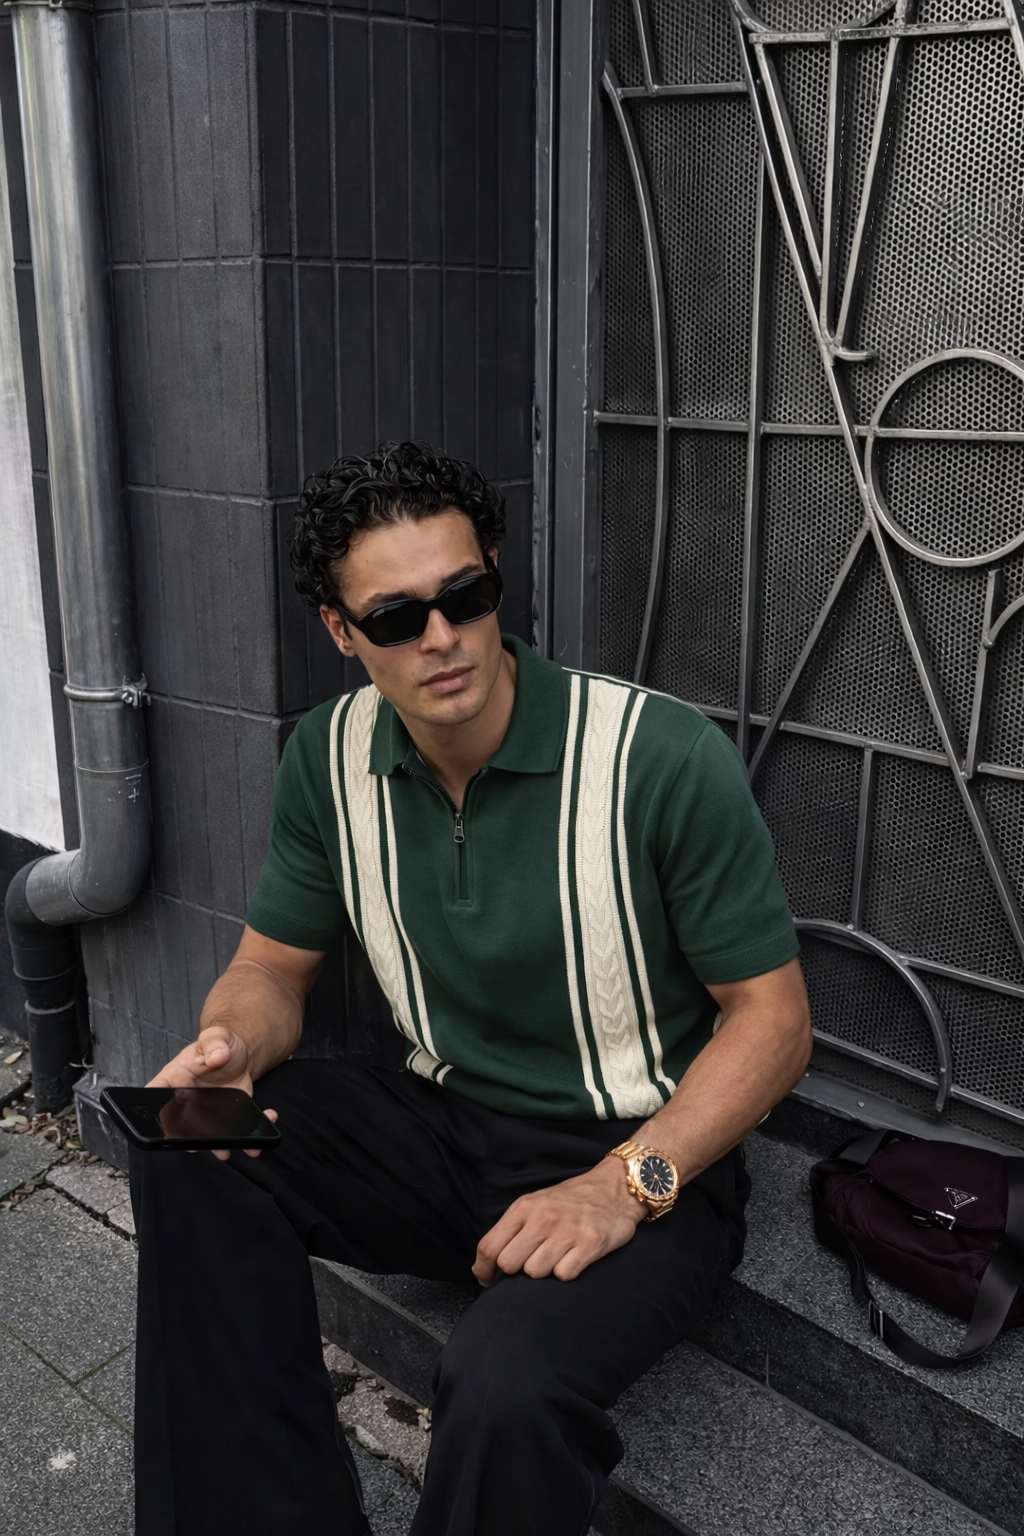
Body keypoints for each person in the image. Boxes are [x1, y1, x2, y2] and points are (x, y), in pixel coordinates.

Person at [130, 440, 811, 1536]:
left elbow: (774, 1023)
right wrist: (231, 1043)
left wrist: (620, 1188)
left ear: (497, 579)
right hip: (442, 1128)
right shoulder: (326, 756)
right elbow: (268, 969)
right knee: (181, 1133)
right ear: (341, 633)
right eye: (396, 617)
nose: (441, 636)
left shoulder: (658, 756)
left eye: (466, 596)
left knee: (503, 1387)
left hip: (645, 1156)